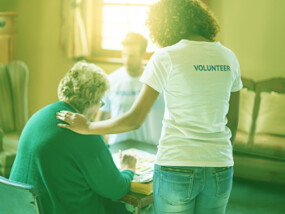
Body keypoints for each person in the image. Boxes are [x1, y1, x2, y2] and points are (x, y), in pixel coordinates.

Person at [57, 0, 243, 213]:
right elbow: (233, 121)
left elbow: (134, 119)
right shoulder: (229, 57)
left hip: (176, 164)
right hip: (220, 165)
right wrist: (220, 155)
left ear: (166, 25)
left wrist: (88, 127)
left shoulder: (166, 57)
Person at [9, 62, 136, 214]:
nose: (98, 109)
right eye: (100, 103)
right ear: (91, 97)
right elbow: (116, 189)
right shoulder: (84, 133)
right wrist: (128, 170)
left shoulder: (38, 116)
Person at [97, 32, 164, 145]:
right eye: (124, 55)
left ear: (142, 55)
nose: (127, 60)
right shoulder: (111, 80)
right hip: (116, 146)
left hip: (147, 147)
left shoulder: (155, 81)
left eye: (132, 56)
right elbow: (100, 118)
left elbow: (163, 120)